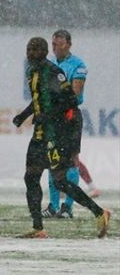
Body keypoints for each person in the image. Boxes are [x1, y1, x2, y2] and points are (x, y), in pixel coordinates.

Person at [13, 36, 110, 239]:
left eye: (35, 50)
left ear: (45, 52)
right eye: (28, 50)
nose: (31, 54)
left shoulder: (53, 72)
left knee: (60, 182)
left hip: (55, 134)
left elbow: (70, 100)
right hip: (40, 134)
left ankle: (100, 213)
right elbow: (38, 99)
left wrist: (48, 116)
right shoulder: (32, 72)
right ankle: (38, 228)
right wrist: (23, 115)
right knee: (31, 177)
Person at [45, 29, 98, 217]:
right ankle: (53, 206)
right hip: (53, 116)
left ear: (68, 44)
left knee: (72, 159)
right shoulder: (49, 64)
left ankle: (67, 207)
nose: (55, 48)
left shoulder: (78, 65)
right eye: (53, 44)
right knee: (51, 159)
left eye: (58, 44)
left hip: (69, 115)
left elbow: (74, 94)